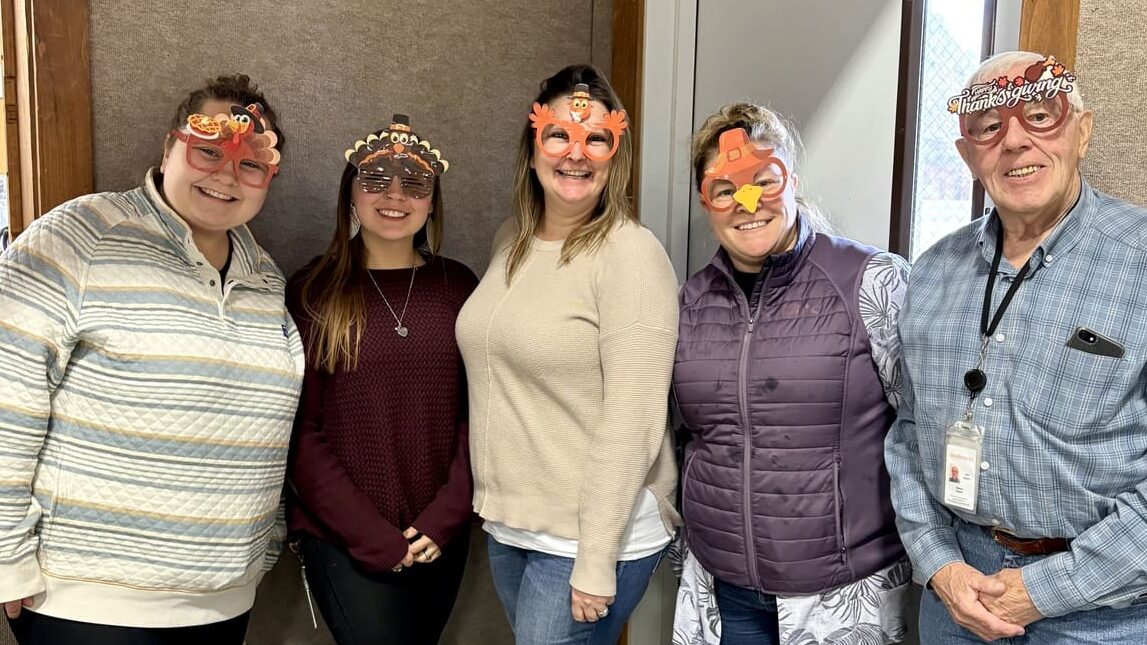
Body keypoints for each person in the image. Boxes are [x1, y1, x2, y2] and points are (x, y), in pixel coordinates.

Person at [0, 74, 302, 644]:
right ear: (168, 150)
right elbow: (6, 392)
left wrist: (264, 541)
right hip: (90, 603)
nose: (225, 175)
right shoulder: (79, 236)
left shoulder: (264, 276)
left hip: (223, 599)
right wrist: (4, 552)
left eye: (250, 164)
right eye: (208, 151)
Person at [885, 50, 1147, 644]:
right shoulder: (930, 274)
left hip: (1106, 612)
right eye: (988, 128)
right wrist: (939, 565)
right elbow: (906, 433)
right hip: (957, 598)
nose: (1015, 142)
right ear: (967, 154)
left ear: (1082, 131)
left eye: (1040, 115)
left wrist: (1045, 589)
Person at [670, 102, 912, 645]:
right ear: (705, 201)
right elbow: (683, 436)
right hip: (723, 587)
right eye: (725, 189)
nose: (746, 203)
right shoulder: (687, 305)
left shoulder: (873, 283)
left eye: (763, 180)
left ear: (793, 182)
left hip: (842, 591)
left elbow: (921, 431)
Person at [455, 64, 680, 645]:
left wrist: (597, 557)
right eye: (559, 134)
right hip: (514, 524)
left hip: (588, 534)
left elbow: (634, 419)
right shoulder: (512, 239)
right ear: (533, 149)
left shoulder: (630, 255)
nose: (575, 153)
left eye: (596, 138)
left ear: (614, 154)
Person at [287, 114, 477, 645]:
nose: (395, 196)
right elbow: (301, 430)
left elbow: (481, 413)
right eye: (375, 181)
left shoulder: (458, 286)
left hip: (439, 534)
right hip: (344, 538)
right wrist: (370, 535)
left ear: (433, 200)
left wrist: (446, 516)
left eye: (415, 183)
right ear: (351, 194)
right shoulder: (314, 290)